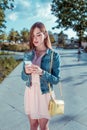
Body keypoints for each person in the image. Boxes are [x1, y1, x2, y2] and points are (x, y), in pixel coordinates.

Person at [21, 22, 60, 130]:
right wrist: (26, 72)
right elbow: (23, 77)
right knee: (33, 125)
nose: (35, 38)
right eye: (33, 35)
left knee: (43, 127)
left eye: (38, 34)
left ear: (45, 34)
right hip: (30, 92)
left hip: (45, 94)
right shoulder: (28, 54)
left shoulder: (54, 55)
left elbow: (56, 80)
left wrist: (42, 72)